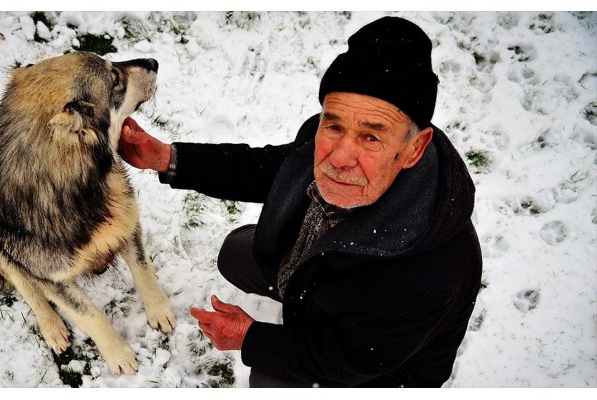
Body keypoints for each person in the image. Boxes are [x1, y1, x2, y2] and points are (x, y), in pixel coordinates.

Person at [118, 16, 482, 388]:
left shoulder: (431, 274)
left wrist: (250, 338)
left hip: (379, 371)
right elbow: (267, 170)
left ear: (413, 149)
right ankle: (303, 300)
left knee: (268, 380)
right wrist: (167, 157)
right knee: (236, 253)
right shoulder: (320, 139)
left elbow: (346, 359)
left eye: (371, 138)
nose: (339, 157)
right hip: (319, 277)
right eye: (335, 126)